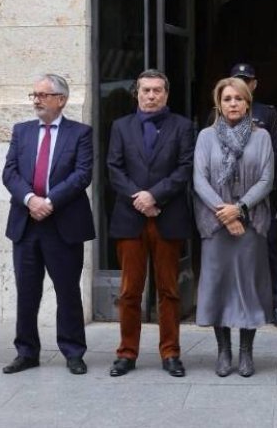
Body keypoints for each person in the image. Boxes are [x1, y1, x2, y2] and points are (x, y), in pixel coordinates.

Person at [1, 73, 93, 375]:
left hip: (63, 223)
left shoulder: (80, 133)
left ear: (61, 99)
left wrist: (49, 202)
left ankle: (73, 352)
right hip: (26, 223)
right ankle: (26, 352)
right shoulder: (22, 131)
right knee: (26, 291)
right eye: (34, 94)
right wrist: (30, 199)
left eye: (43, 95)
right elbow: (10, 172)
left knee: (67, 291)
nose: (37, 100)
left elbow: (81, 175)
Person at [107, 69, 195, 378]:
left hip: (167, 217)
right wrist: (139, 198)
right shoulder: (121, 126)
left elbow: (185, 168)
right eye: (145, 90)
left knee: (169, 290)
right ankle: (126, 353)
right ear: (137, 93)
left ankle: (170, 352)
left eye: (157, 90)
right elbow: (114, 168)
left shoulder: (182, 127)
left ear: (166, 95)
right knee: (130, 290)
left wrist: (155, 196)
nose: (151, 95)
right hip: (131, 218)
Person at [193, 77, 274, 377]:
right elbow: (199, 179)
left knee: (247, 288)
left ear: (247, 103)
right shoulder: (205, 136)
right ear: (219, 103)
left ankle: (246, 352)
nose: (233, 104)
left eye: (238, 99)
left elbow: (267, 179)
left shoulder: (261, 137)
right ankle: (223, 351)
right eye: (227, 99)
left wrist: (239, 210)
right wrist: (225, 214)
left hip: (251, 223)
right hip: (214, 225)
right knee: (218, 287)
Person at [227, 63, 277, 328]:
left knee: (270, 249)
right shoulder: (220, 111)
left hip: (262, 196)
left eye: (247, 80)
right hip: (228, 196)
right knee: (232, 251)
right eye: (237, 80)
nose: (242, 84)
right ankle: (236, 305)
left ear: (254, 84)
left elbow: (276, 153)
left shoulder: (267, 113)